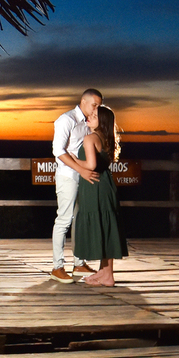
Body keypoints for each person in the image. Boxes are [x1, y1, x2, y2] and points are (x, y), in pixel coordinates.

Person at [49, 88, 103, 282]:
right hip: (67, 176)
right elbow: (58, 151)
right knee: (63, 219)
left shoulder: (88, 123)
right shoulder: (66, 120)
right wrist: (81, 170)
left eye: (99, 106)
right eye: (94, 105)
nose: (96, 109)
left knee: (80, 220)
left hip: (83, 177)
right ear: (83, 100)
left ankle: (79, 264)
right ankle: (57, 267)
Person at [74, 104, 127, 286]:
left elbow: (90, 165)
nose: (89, 116)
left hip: (94, 185)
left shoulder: (90, 138)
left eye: (94, 115)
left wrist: (71, 158)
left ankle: (107, 275)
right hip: (105, 184)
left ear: (101, 121)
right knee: (105, 225)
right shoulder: (105, 137)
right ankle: (104, 273)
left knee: (100, 224)